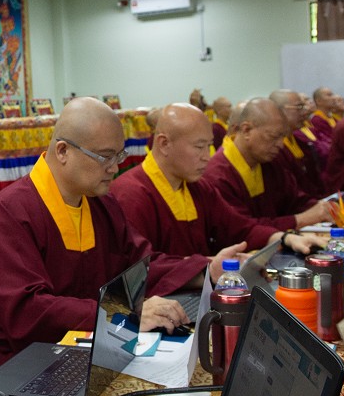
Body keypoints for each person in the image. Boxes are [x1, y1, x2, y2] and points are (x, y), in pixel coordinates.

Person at [0, 98, 190, 376]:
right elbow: (28, 310)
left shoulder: (101, 204)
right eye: (105, 157)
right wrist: (122, 314)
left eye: (119, 156)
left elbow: (141, 264)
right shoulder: (10, 213)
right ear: (63, 151)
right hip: (14, 367)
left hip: (89, 352)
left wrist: (205, 269)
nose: (114, 168)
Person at [109, 104, 322, 296]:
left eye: (209, 146)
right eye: (199, 147)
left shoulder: (197, 187)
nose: (207, 156)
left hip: (198, 293)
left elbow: (238, 227)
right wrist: (208, 267)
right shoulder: (131, 193)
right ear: (164, 144)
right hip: (160, 303)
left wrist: (284, 237)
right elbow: (139, 267)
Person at [202, 98, 334, 231]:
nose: (280, 145)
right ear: (246, 130)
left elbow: (294, 200)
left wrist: (323, 208)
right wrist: (302, 219)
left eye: (282, 137)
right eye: (273, 137)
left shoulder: (267, 161)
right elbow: (244, 229)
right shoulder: (218, 175)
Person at [270, 88, 324, 197]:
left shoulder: (299, 141)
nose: (305, 112)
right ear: (279, 111)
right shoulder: (272, 148)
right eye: (299, 107)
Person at [307, 86, 343, 162]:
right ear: (319, 101)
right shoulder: (316, 120)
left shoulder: (333, 119)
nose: (334, 98)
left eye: (332, 94)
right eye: (329, 95)